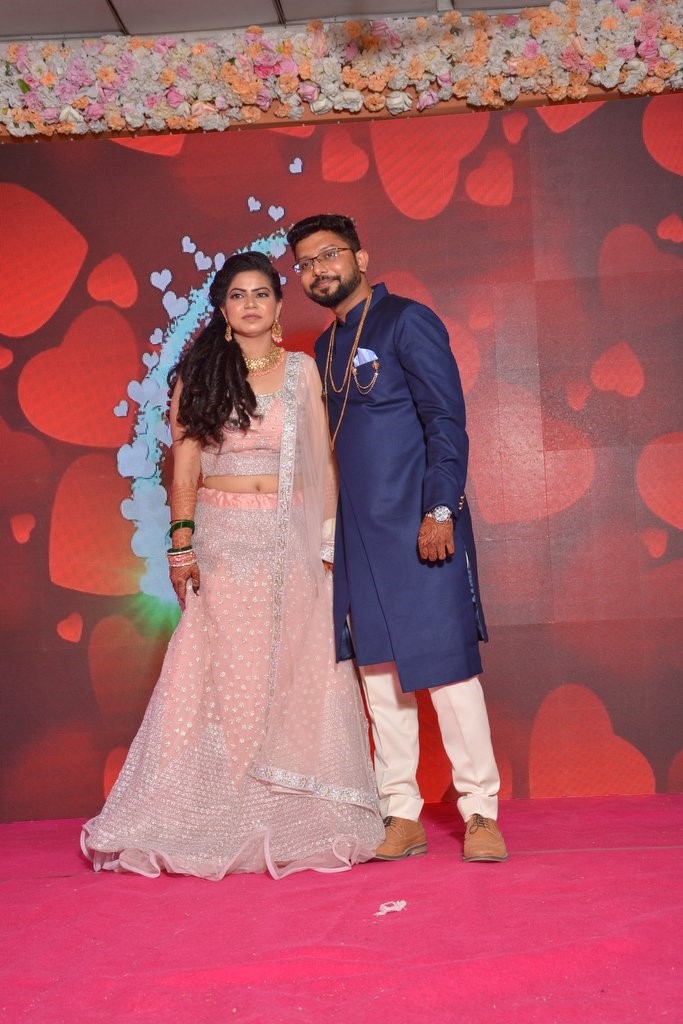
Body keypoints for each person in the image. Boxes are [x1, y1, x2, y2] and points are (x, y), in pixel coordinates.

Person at [81, 250, 384, 879]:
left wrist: (326, 543)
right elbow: (185, 470)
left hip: (289, 540)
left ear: (278, 306)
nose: (251, 304)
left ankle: (291, 804)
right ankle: (210, 805)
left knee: (295, 668)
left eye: (262, 294)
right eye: (238, 295)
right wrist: (181, 545)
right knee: (219, 674)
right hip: (222, 543)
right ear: (223, 309)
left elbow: (323, 464)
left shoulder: (301, 371)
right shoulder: (202, 376)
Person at [286, 215, 507, 863]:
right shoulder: (324, 347)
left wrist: (440, 508)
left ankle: (480, 811)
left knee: (448, 672)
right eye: (305, 263)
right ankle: (401, 813)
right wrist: (329, 533)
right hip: (359, 537)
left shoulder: (408, 321)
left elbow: (445, 421)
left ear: (360, 257)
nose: (319, 270)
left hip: (420, 528)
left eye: (329, 255)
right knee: (379, 679)